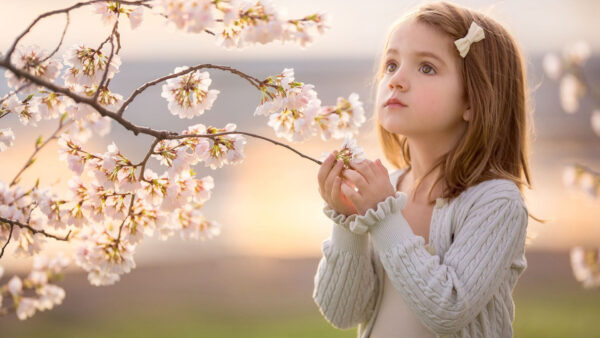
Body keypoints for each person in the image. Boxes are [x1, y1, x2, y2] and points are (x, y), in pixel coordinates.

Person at [313, 1, 544, 337]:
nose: (397, 80)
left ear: (472, 101)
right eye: (391, 65)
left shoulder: (496, 202)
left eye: (426, 68)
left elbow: (447, 310)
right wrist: (347, 222)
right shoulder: (387, 190)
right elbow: (342, 311)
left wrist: (382, 216)